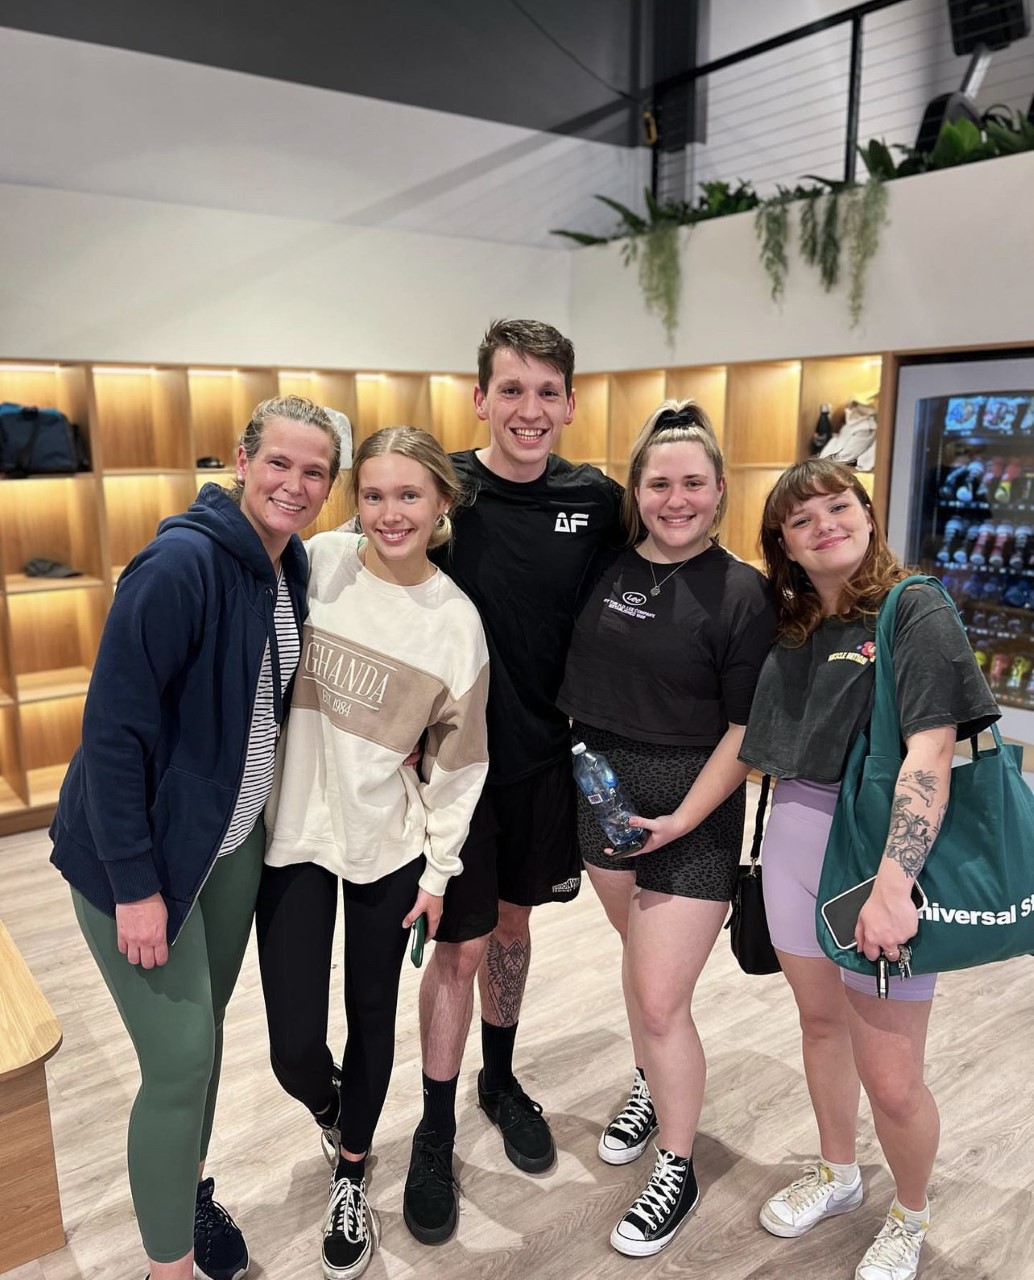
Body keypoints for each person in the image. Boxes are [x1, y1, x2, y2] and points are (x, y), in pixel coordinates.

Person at [49, 396, 341, 1280]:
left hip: (230, 846)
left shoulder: (283, 568)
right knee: (178, 1062)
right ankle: (166, 1267)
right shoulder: (180, 564)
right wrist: (136, 886)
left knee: (204, 1042)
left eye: (315, 471)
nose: (294, 484)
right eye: (280, 463)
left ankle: (187, 1191)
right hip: (138, 858)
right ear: (242, 460)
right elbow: (111, 735)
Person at [739, 459, 999, 1280]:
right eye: (803, 518)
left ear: (867, 512)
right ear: (782, 543)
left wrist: (894, 886)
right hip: (792, 841)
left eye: (839, 506)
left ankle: (909, 1214)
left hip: (875, 860)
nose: (826, 525)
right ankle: (839, 1172)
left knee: (891, 1076)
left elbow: (931, 751)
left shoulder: (913, 608)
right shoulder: (792, 627)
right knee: (820, 1027)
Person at [401, 318, 624, 1245]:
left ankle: (500, 1076)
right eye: (511, 390)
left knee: (512, 930)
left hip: (543, 764)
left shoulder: (599, 501)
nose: (529, 410)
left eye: (547, 392)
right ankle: (434, 1122)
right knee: (456, 945)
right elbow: (362, 566)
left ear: (570, 404)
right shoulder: (444, 490)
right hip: (452, 772)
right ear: (480, 398)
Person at [256, 426, 489, 1280]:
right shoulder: (319, 560)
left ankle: (353, 1172)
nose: (390, 514)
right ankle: (332, 1112)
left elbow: (462, 766)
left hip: (388, 849)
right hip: (296, 840)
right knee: (291, 1046)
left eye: (410, 496)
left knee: (371, 1022)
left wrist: (438, 873)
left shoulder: (455, 624)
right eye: (376, 494)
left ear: (442, 504)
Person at [557, 400, 777, 1257]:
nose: (674, 498)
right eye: (658, 482)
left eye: (693, 483)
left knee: (659, 995)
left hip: (692, 808)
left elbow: (746, 729)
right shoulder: (607, 568)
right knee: (641, 967)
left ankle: (676, 1166)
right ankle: (651, 1081)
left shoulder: (741, 592)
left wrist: (683, 816)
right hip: (603, 794)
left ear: (720, 492)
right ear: (636, 489)